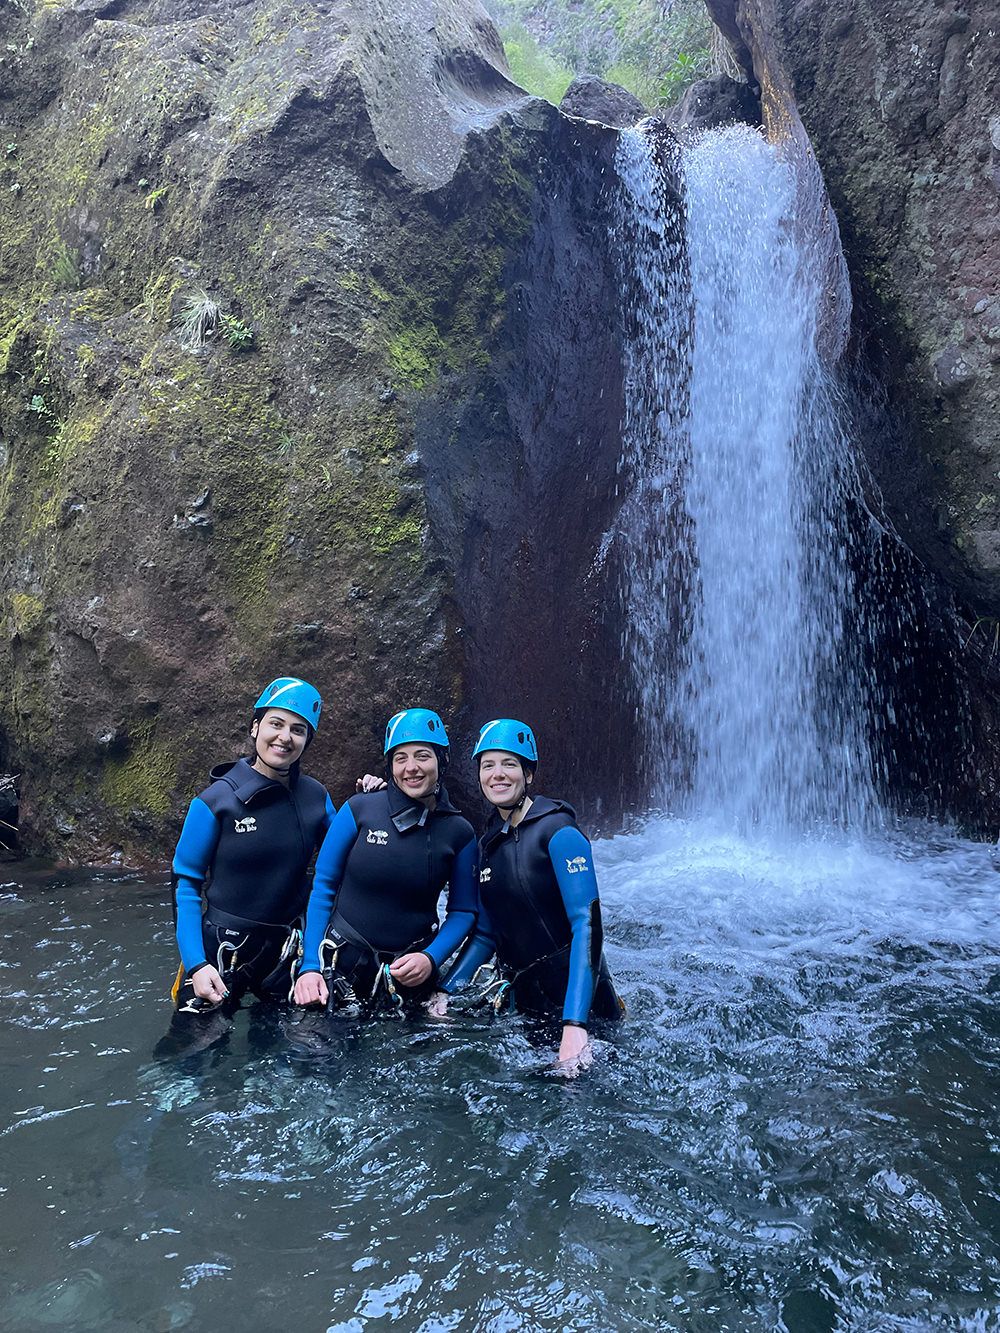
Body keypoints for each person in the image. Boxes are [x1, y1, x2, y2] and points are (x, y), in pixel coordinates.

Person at [441, 718, 623, 1072]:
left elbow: (588, 924)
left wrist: (575, 1025)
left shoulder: (558, 831)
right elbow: (486, 932)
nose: (498, 774)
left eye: (509, 764)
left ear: (528, 775)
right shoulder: (489, 843)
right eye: (488, 765)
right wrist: (447, 990)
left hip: (586, 1010)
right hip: (528, 1008)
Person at [167, 676, 334, 1024]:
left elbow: (349, 859)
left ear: (307, 740)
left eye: (298, 729)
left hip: (286, 953)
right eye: (276, 724)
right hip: (221, 951)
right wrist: (197, 964)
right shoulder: (215, 801)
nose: (285, 737)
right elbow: (185, 884)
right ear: (255, 728)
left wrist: (373, 799)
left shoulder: (316, 798)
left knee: (281, 1065)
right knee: (190, 1062)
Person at [293, 708, 477, 1015]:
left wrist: (431, 958)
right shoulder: (359, 809)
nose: (411, 768)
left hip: (410, 973)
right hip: (340, 966)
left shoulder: (460, 832)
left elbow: (464, 911)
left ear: (441, 761)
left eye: (422, 756)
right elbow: (323, 887)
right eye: (400, 758)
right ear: (390, 765)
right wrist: (310, 964)